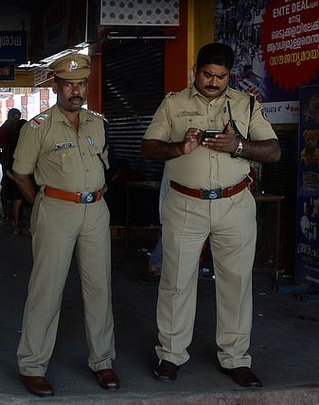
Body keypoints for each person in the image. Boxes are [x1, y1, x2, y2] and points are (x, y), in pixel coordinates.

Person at [140, 42, 281, 388]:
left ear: (229, 75)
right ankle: (170, 355)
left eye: (221, 76)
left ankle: (235, 358)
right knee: (176, 281)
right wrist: (179, 147)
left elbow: (274, 151)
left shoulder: (246, 104)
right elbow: (148, 146)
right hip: (186, 204)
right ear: (195, 70)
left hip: (234, 205)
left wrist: (240, 146)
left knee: (236, 283)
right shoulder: (174, 104)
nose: (214, 82)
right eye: (207, 75)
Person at [13, 54, 119, 397]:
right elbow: (21, 174)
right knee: (47, 289)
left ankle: (103, 361)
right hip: (56, 209)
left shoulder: (97, 123)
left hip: (96, 209)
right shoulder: (38, 127)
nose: (76, 90)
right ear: (57, 86)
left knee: (99, 288)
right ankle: (32, 366)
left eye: (81, 83)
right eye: (69, 84)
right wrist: (44, 204)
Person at [0, 108, 22, 219]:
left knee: (14, 185)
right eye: (15, 119)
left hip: (15, 160)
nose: (16, 121)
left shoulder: (15, 129)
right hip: (7, 161)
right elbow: (3, 146)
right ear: (10, 117)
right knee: (7, 185)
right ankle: (6, 212)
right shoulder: (4, 129)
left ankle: (11, 212)